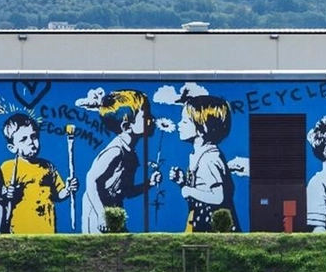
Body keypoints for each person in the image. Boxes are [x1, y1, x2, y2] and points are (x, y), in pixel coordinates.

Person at [82, 89, 161, 233]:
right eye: (146, 116)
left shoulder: (131, 155)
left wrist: (149, 184)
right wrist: (101, 214)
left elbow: (127, 191)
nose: (152, 119)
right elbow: (91, 180)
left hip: (114, 210)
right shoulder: (116, 151)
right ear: (126, 126)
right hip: (98, 212)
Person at [169, 95, 241, 232]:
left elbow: (218, 197)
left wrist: (188, 190)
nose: (179, 124)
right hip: (201, 220)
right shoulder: (200, 156)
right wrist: (182, 182)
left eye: (184, 121)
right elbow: (202, 189)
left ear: (202, 128)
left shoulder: (209, 159)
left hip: (211, 225)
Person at [0, 113, 79, 234]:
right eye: (23, 139)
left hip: (47, 226)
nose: (31, 142)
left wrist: (68, 189)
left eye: (34, 136)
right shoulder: (8, 168)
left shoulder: (47, 166)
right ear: (12, 147)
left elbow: (58, 195)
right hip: (20, 227)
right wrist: (7, 193)